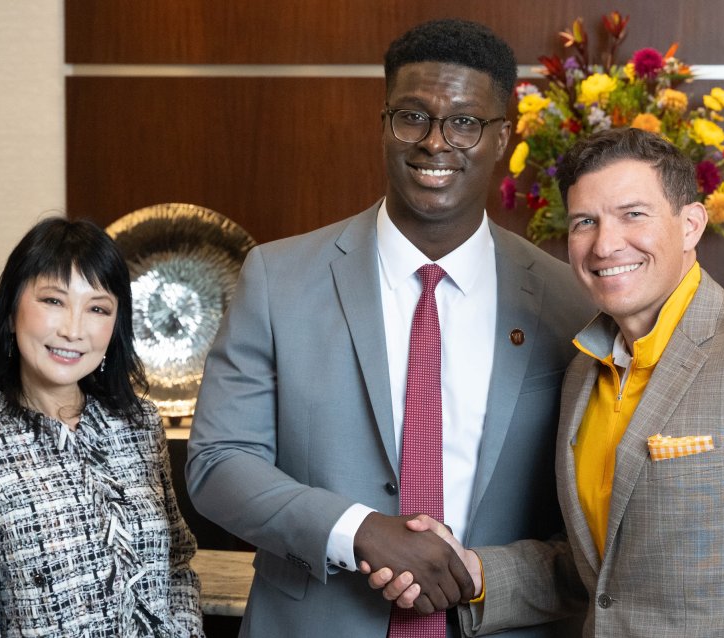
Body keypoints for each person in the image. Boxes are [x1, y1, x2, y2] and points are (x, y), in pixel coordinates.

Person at [373, 127, 724, 637]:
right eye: (585, 222)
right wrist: (473, 570)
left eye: (633, 214)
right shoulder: (583, 372)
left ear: (690, 224)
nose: (605, 244)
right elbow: (605, 574)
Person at [185, 18, 590, 637]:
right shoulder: (277, 277)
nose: (435, 142)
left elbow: (590, 511)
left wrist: (483, 573)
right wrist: (358, 530)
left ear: (501, 137)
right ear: (383, 123)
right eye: (412, 116)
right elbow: (218, 462)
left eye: (464, 122)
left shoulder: (567, 300)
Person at [0, 218, 202, 637]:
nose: (73, 330)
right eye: (54, 301)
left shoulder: (140, 424)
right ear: (11, 308)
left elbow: (178, 565)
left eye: (97, 308)